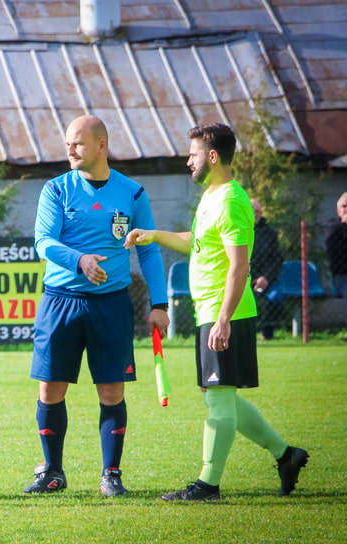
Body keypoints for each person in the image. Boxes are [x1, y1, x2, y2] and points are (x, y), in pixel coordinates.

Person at [125, 123, 309, 501]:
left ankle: (208, 484)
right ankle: (286, 455)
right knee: (220, 396)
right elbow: (196, 243)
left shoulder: (230, 200)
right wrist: (153, 235)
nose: (187, 160)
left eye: (192, 153)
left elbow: (240, 266)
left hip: (226, 313)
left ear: (212, 156)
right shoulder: (211, 196)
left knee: (219, 398)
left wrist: (223, 318)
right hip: (209, 312)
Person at [26, 114, 170, 498]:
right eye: (67, 143)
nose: (69, 150)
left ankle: (111, 474)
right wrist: (80, 261)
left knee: (111, 392)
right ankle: (53, 471)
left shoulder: (132, 193)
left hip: (111, 305)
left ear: (101, 145)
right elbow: (43, 241)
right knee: (50, 390)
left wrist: (160, 303)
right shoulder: (56, 190)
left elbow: (150, 250)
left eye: (77, 143)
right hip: (61, 302)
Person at [250, 198, 284, 339]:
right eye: (253, 211)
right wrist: (253, 280)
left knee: (276, 296)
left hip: (266, 279)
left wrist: (265, 278)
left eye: (259, 211)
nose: (256, 214)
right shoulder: (237, 231)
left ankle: (267, 333)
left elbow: (276, 260)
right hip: (245, 278)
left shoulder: (270, 234)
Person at [326, 191, 347, 320]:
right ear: (338, 210)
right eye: (344, 206)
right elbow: (336, 252)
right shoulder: (333, 228)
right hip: (342, 277)